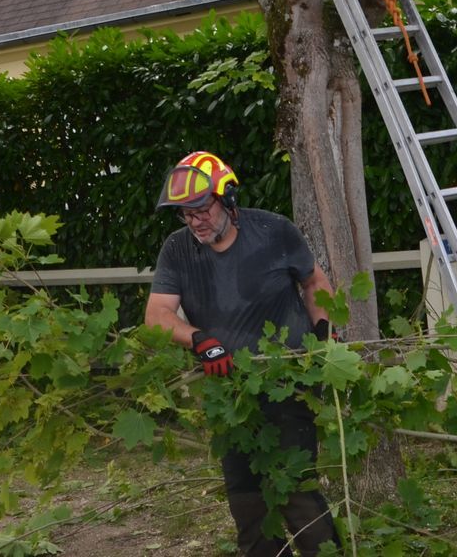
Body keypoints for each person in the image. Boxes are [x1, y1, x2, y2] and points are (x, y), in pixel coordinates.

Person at [144, 151, 340, 557]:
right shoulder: (177, 250)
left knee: (296, 492)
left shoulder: (274, 231)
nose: (195, 220)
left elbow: (315, 282)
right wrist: (199, 339)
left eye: (201, 209)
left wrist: (323, 330)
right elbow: (157, 315)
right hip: (230, 393)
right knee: (248, 504)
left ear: (227, 198)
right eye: (185, 213)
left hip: (289, 382)